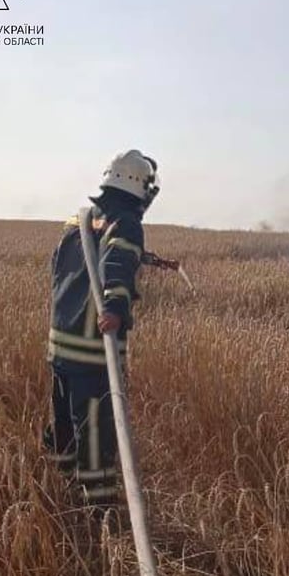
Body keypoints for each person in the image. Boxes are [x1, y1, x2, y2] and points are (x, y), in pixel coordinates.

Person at [43, 149, 178, 511]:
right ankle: (98, 508)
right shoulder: (127, 223)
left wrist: (145, 259)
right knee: (95, 428)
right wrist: (116, 309)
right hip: (92, 352)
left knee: (64, 422)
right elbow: (115, 263)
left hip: (61, 343)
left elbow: (77, 262)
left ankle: (63, 487)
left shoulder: (80, 221)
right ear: (141, 188)